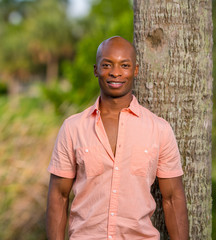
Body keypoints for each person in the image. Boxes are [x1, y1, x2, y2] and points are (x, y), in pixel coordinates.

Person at [46, 36, 189, 240]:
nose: (115, 72)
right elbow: (58, 197)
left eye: (124, 65)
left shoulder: (159, 129)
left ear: (135, 70)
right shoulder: (72, 128)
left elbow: (173, 198)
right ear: (96, 69)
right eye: (107, 65)